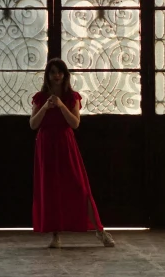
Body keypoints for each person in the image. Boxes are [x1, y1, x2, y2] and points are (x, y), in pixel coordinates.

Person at [30, 57, 115, 248]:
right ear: (48, 75)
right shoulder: (40, 97)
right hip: (46, 146)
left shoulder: (72, 97)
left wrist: (60, 106)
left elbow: (75, 123)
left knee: (80, 187)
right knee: (50, 189)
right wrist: (46, 106)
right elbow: (33, 124)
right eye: (52, 72)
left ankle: (100, 231)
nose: (56, 76)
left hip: (66, 144)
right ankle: (55, 235)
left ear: (65, 75)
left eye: (59, 72)